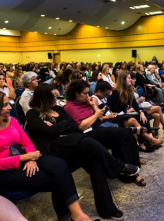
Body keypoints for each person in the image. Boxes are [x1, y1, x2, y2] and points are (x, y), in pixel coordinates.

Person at [0, 91, 92, 221]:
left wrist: (31, 158)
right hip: (2, 172)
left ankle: (77, 214)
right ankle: (68, 217)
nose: (10, 107)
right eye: (5, 105)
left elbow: (27, 142)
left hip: (23, 158)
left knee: (60, 164)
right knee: (58, 179)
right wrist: (27, 157)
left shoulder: (11, 121)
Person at [26, 84, 139, 220]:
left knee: (95, 162)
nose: (56, 98)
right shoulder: (33, 114)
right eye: (53, 96)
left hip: (69, 146)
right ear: (44, 98)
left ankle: (106, 209)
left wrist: (56, 127)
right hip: (51, 150)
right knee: (85, 139)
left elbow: (73, 125)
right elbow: (49, 132)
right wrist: (60, 126)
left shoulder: (58, 109)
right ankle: (118, 166)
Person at [64, 80, 146, 186]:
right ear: (76, 93)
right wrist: (96, 114)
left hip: (98, 127)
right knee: (121, 133)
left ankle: (133, 171)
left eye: (88, 93)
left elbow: (99, 117)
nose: (87, 96)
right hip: (88, 134)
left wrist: (93, 106)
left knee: (127, 137)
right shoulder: (70, 106)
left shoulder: (85, 103)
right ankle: (129, 171)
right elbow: (81, 126)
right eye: (85, 93)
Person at [110, 71, 163, 147]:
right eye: (128, 78)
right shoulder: (116, 92)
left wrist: (140, 112)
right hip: (119, 117)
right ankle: (149, 140)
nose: (130, 80)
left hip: (126, 114)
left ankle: (148, 139)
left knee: (143, 114)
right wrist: (126, 111)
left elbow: (134, 104)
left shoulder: (128, 91)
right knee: (137, 118)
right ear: (123, 80)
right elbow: (114, 111)